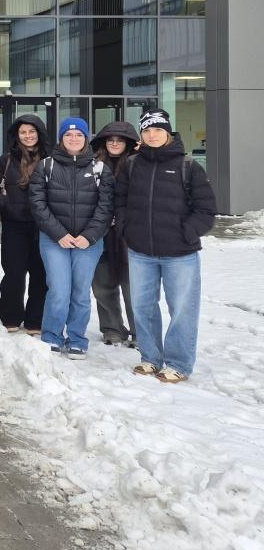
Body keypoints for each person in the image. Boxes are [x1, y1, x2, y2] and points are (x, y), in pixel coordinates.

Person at [115, 109, 217, 383]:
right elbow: (120, 202)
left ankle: (178, 363)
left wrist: (187, 233)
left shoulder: (188, 166)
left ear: (168, 132)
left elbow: (206, 210)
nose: (152, 135)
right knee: (143, 306)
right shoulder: (132, 165)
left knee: (182, 309)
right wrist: (127, 230)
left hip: (180, 254)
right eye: (147, 130)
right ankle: (150, 358)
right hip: (140, 252)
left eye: (158, 130)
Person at [28, 118, 114, 360]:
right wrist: (59, 234)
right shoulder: (46, 167)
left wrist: (89, 236)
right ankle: (52, 335)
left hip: (89, 242)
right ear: (61, 138)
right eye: (68, 135)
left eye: (78, 135)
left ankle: (77, 338)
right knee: (58, 290)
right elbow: (37, 204)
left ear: (86, 138)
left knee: (80, 292)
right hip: (54, 240)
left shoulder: (99, 169)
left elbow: (106, 208)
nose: (73, 139)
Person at [0, 115, 51, 335]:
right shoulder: (5, 160)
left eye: (32, 132)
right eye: (23, 132)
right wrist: (7, 205)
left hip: (44, 227)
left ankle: (35, 320)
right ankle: (11, 316)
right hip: (14, 225)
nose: (28, 136)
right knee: (13, 273)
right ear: (17, 135)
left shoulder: (51, 159)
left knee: (40, 275)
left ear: (39, 133)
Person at [91, 121, 139, 346]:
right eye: (110, 139)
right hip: (100, 233)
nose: (115, 143)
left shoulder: (138, 164)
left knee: (133, 287)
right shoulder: (93, 165)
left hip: (129, 234)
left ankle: (140, 331)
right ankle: (112, 328)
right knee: (102, 284)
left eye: (120, 140)